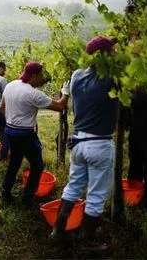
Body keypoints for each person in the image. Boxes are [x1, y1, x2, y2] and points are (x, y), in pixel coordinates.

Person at [50, 37, 118, 251]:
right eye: (113, 51)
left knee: (73, 187)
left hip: (78, 143)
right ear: (104, 56)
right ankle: (88, 240)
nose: (116, 54)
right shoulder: (111, 80)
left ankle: (57, 231)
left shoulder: (77, 75)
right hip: (99, 145)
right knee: (97, 195)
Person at [0, 62, 69, 209]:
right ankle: (27, 200)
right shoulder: (33, 94)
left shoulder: (10, 85)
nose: (42, 79)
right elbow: (60, 106)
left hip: (10, 132)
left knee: (14, 163)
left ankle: (5, 192)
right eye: (41, 76)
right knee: (37, 166)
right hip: (25, 135)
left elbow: (1, 107)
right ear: (34, 75)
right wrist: (66, 91)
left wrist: (11, 121)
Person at [127, 90, 147, 206]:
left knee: (142, 167)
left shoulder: (136, 96)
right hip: (144, 134)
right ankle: (144, 198)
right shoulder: (143, 94)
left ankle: (146, 199)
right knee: (144, 167)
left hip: (142, 134)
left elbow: (126, 120)